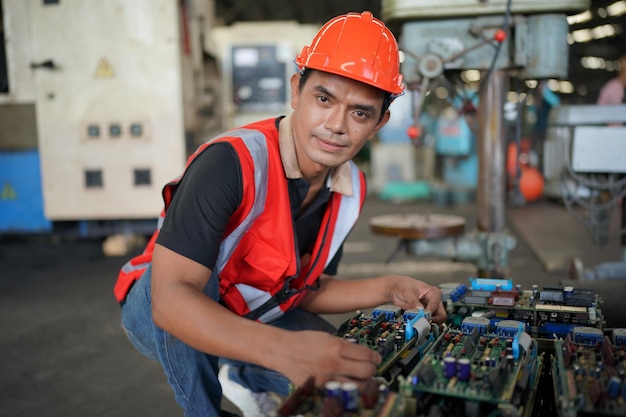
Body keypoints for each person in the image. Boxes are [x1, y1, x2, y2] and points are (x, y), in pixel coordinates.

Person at [113, 11, 446, 417]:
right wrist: (282, 350)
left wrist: (392, 287)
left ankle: (246, 374)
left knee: (349, 375)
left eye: (360, 112)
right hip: (156, 313)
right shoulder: (231, 162)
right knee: (189, 289)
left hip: (253, 314)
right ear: (296, 91)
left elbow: (304, 289)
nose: (336, 126)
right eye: (323, 99)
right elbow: (170, 300)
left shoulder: (350, 189)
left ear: (380, 122)